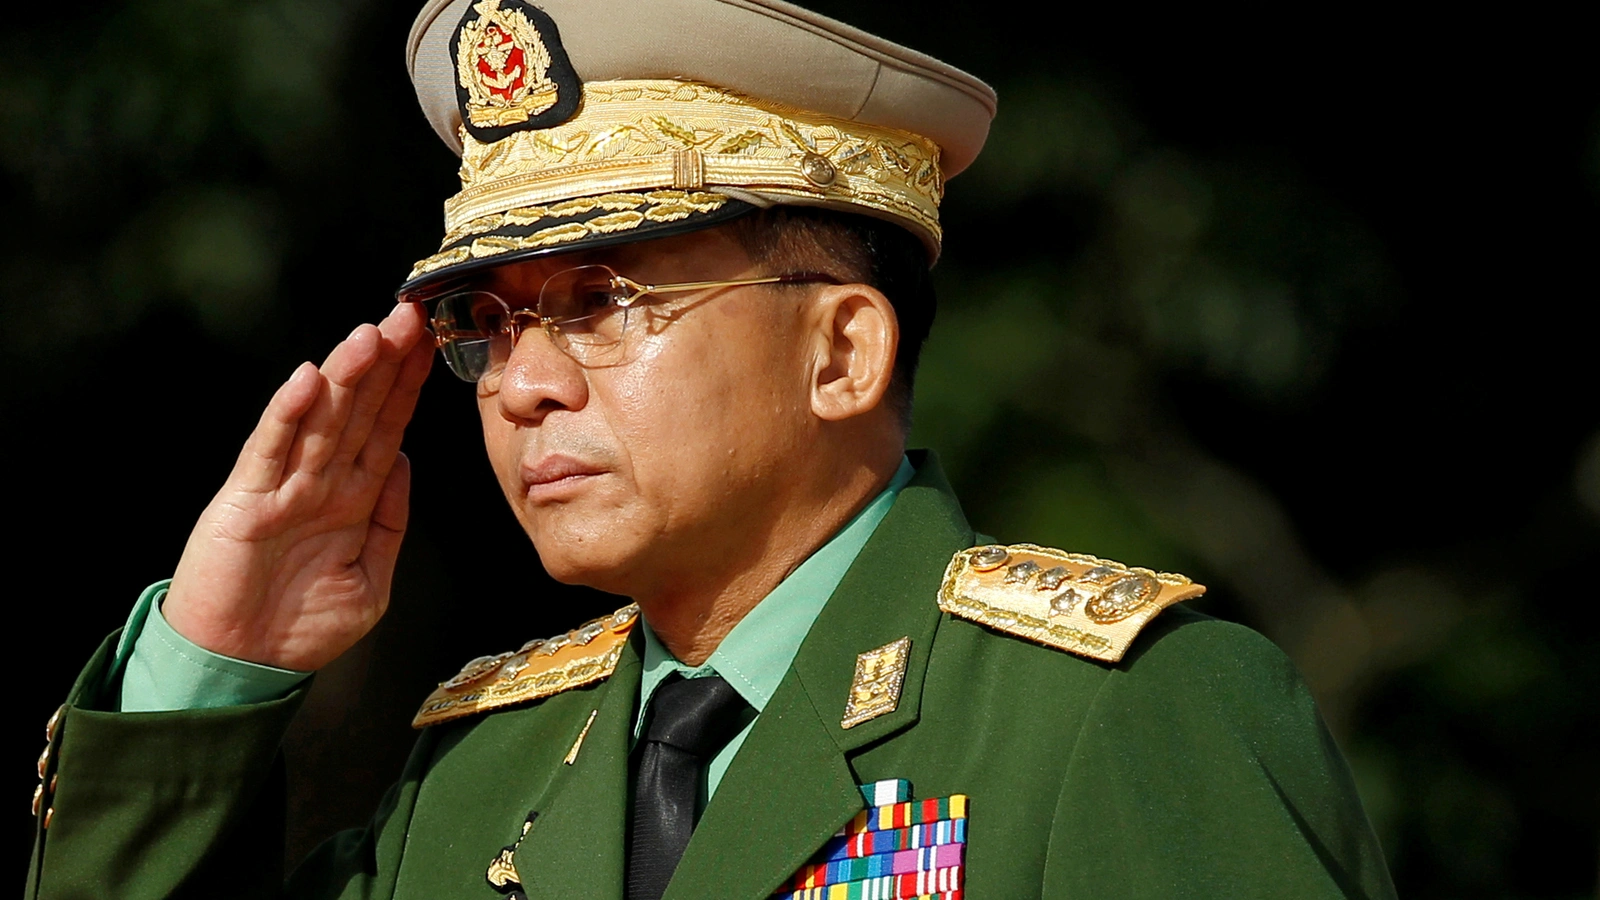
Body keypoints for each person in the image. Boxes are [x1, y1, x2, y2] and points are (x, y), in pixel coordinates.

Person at [24, 1, 1398, 898]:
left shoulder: (1113, 718)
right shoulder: (477, 781)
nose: (520, 387)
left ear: (843, 352)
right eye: (487, 325)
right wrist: (209, 669)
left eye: (605, 303)